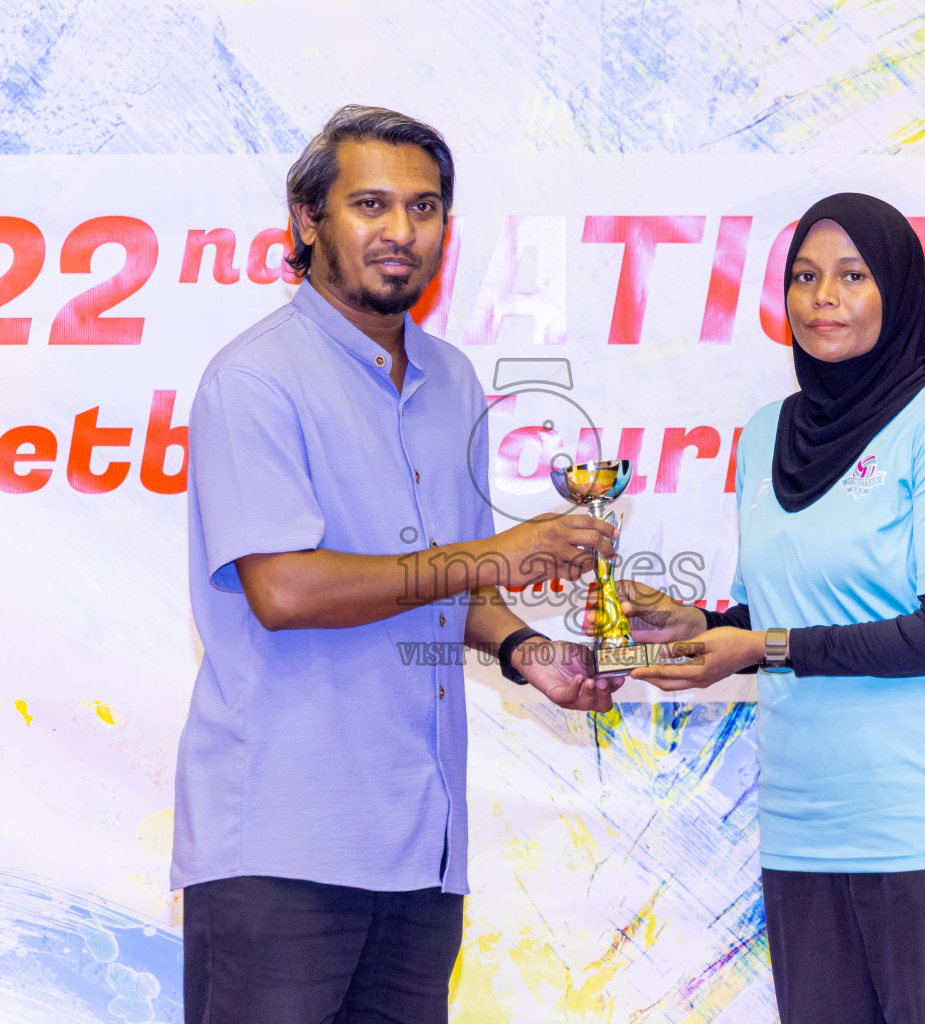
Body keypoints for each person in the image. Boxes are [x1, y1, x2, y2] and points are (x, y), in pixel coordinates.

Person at [172, 105, 619, 1024]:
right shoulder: (254, 379)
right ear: (307, 219)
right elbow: (285, 589)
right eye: (370, 204)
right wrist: (487, 556)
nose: (401, 231)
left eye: (424, 208)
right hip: (283, 848)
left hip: (424, 849)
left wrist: (530, 653)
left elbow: (449, 593)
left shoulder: (452, 379)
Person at [613, 193, 925, 1023]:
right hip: (807, 830)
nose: (823, 297)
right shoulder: (765, 431)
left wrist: (758, 647)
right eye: (806, 277)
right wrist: (703, 625)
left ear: (898, 289)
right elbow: (784, 608)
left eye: (852, 276)